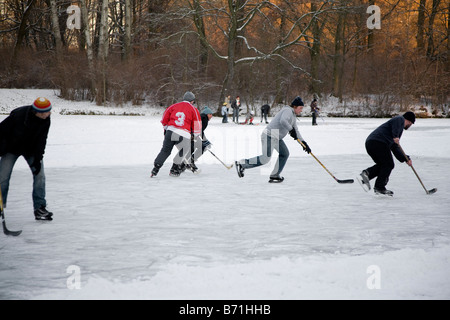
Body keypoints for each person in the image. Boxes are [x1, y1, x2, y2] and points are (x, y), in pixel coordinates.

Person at [235, 97, 311, 183]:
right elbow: (283, 121)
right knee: (265, 159)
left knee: (284, 153)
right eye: (300, 108)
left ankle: (275, 175)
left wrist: (304, 143)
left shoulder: (293, 116)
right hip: (269, 135)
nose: (301, 110)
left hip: (276, 136)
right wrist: (290, 129)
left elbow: (296, 131)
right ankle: (242, 164)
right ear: (295, 106)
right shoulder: (288, 111)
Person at [0, 97, 53, 221]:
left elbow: (42, 140)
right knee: (3, 177)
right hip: (11, 149)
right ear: (38, 112)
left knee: (40, 175)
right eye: (47, 111)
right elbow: (1, 131)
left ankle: (40, 208)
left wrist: (38, 158)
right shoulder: (18, 116)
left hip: (31, 150)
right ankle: (0, 205)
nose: (50, 113)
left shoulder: (46, 119)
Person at [358, 111, 416, 196]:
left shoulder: (397, 129)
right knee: (388, 164)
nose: (410, 125)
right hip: (378, 142)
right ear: (409, 121)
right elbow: (395, 134)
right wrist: (396, 136)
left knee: (384, 165)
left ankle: (366, 175)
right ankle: (379, 188)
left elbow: (395, 147)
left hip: (372, 143)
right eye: (411, 123)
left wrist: (405, 158)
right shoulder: (399, 119)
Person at [151, 92, 202, 177]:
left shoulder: (173, 106)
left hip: (170, 131)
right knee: (184, 151)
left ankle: (155, 169)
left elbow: (164, 119)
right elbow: (197, 126)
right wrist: (195, 135)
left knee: (165, 151)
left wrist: (167, 129)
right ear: (192, 101)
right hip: (184, 134)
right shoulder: (194, 109)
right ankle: (174, 169)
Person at [185, 106, 213, 173]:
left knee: (194, 148)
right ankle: (189, 162)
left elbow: (199, 130)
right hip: (191, 135)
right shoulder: (204, 118)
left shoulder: (201, 117)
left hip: (190, 134)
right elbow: (199, 130)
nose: (211, 116)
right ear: (206, 114)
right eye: (210, 114)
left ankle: (184, 165)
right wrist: (205, 141)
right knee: (201, 147)